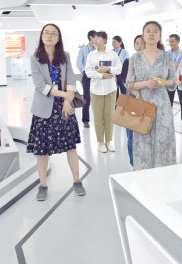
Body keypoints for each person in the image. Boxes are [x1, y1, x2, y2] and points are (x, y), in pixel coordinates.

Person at [27, 24, 85, 200]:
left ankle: (77, 181)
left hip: (64, 108)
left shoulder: (65, 56)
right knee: (42, 150)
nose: (49, 36)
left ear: (58, 38)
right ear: (41, 36)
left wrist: (67, 100)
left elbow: (71, 80)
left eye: (53, 33)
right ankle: (43, 185)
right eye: (46, 33)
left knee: (71, 146)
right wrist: (64, 95)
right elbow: (40, 86)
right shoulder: (35, 58)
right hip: (43, 109)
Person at [126, 22, 177, 170]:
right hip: (142, 105)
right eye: (148, 31)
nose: (151, 34)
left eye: (155, 31)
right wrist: (146, 83)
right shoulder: (135, 58)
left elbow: (173, 81)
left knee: (164, 140)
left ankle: (165, 175)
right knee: (143, 140)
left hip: (163, 107)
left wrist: (163, 82)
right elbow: (129, 84)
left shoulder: (167, 57)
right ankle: (144, 176)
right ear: (143, 35)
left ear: (160, 36)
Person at [85, 31, 122, 153]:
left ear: (105, 40)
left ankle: (108, 142)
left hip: (110, 89)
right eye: (94, 38)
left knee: (109, 116)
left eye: (98, 38)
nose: (95, 40)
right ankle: (101, 142)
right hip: (96, 90)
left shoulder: (112, 54)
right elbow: (88, 72)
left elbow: (119, 69)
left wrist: (109, 69)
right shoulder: (91, 55)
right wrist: (101, 76)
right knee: (98, 117)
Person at [126, 35, 146, 167]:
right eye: (136, 43)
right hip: (133, 100)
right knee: (132, 134)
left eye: (141, 43)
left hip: (148, 101)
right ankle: (133, 163)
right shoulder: (129, 60)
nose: (139, 46)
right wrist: (137, 92)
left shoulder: (153, 61)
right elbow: (127, 82)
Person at [76, 30, 97, 128]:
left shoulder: (98, 49)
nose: (97, 39)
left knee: (98, 97)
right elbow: (78, 63)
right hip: (87, 75)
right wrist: (84, 72)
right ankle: (85, 120)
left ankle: (99, 119)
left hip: (97, 75)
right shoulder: (83, 49)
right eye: (96, 37)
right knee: (87, 98)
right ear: (90, 37)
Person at [167, 34, 182, 107]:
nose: (171, 43)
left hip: (180, 78)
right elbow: (165, 66)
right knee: (169, 101)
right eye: (170, 41)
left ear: (178, 42)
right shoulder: (166, 53)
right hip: (169, 78)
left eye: (173, 41)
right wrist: (176, 65)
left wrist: (170, 65)